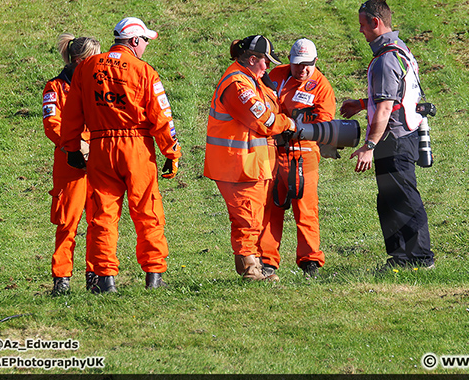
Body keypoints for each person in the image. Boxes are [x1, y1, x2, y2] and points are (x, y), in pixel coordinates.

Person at [60, 17, 181, 293]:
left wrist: (71, 147)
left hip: (101, 148)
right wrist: (171, 152)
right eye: (146, 41)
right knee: (147, 212)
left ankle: (106, 281)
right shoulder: (144, 71)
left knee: (103, 215)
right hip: (137, 147)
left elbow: (71, 113)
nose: (146, 46)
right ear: (134, 41)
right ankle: (154, 276)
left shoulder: (86, 68)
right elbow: (162, 117)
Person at [340, 0, 435, 270]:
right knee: (391, 199)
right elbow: (397, 96)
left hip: (392, 139)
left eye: (362, 25)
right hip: (405, 135)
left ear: (375, 22)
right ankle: (402, 258)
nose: (361, 31)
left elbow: (384, 109)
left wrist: (369, 145)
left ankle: (420, 258)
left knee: (403, 198)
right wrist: (361, 104)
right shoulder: (401, 49)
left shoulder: (385, 59)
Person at [203, 35, 297, 281]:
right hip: (237, 164)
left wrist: (265, 83)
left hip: (252, 163)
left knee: (252, 216)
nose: (268, 68)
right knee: (247, 217)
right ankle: (251, 269)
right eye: (265, 62)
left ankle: (251, 263)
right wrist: (287, 123)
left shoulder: (250, 80)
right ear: (252, 59)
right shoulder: (237, 84)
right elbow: (264, 120)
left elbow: (269, 108)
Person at [259, 38, 336, 279]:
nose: (302, 70)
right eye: (297, 65)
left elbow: (324, 126)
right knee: (270, 207)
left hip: (304, 155)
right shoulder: (276, 74)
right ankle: (266, 260)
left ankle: (310, 261)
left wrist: (295, 128)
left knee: (306, 208)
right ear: (290, 62)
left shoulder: (322, 87)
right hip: (272, 151)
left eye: (307, 65)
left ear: (315, 62)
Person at [43, 33, 101, 295]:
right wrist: (76, 146)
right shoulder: (55, 87)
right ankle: (62, 279)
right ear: (79, 60)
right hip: (70, 163)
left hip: (100, 160)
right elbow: (52, 124)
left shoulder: (99, 84)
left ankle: (97, 276)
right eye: (94, 58)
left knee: (100, 220)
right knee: (68, 221)